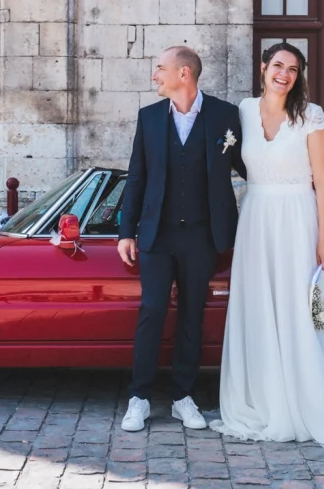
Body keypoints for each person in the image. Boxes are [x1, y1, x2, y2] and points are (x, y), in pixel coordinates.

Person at [210, 42, 324, 448]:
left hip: (297, 217)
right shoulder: (243, 111)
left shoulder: (310, 116)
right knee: (259, 306)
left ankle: (305, 404)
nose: (284, 74)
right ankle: (261, 402)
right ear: (263, 67)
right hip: (256, 216)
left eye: (293, 69)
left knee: (299, 311)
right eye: (278, 65)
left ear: (299, 76)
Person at [117, 46, 247, 432]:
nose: (155, 76)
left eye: (160, 68)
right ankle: (138, 398)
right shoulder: (150, 117)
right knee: (153, 311)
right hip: (157, 234)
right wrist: (126, 231)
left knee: (192, 314)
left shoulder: (226, 115)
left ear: (184, 73)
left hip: (203, 236)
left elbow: (247, 165)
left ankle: (182, 398)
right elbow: (137, 177)